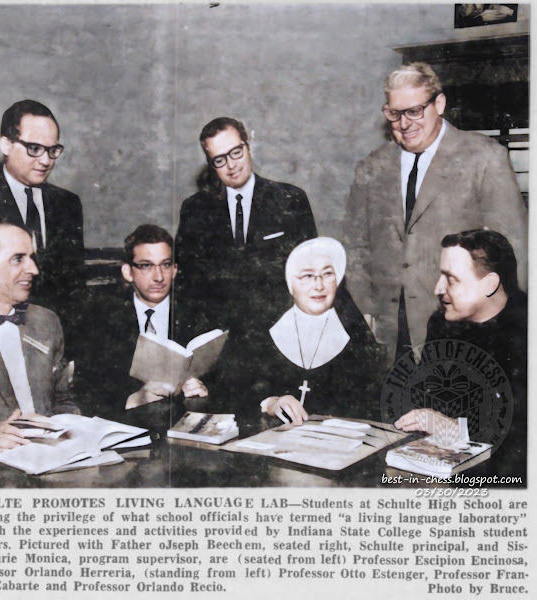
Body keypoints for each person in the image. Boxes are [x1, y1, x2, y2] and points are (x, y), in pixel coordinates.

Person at [342, 62, 527, 361]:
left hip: (463, 331)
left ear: (439, 104)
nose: (404, 123)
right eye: (394, 113)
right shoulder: (370, 167)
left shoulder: (484, 158)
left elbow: (514, 249)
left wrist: (502, 328)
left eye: (415, 111)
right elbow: (355, 246)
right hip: (387, 332)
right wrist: (365, 308)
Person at [174, 117, 318, 347]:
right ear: (210, 164)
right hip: (218, 344)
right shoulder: (195, 209)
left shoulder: (289, 199)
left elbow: (311, 276)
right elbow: (186, 288)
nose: (231, 166)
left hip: (281, 339)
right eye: (219, 160)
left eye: (236, 152)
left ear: (248, 145)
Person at [395, 230, 526, 475]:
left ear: (489, 285)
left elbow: (522, 430)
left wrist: (458, 429)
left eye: (450, 278)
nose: (437, 288)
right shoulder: (440, 321)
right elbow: (425, 397)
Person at [0, 99, 85, 354]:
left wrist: (70, 353)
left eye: (53, 150)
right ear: (5, 144)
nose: (45, 160)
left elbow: (74, 288)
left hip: (51, 346)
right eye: (34, 148)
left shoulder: (67, 204)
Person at [222, 238, 383, 425]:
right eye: (307, 276)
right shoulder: (261, 333)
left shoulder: (355, 334)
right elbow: (231, 391)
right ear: (291, 284)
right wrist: (270, 403)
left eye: (328, 274)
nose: (319, 286)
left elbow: (372, 404)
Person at [0, 222, 80, 461]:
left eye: (32, 258)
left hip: (53, 460)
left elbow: (64, 398)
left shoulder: (46, 321)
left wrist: (71, 430)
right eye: (18, 259)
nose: (33, 269)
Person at [76, 224, 207, 420]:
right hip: (124, 426)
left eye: (166, 265)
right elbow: (86, 393)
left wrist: (203, 389)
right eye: (146, 266)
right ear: (128, 272)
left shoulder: (198, 314)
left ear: (175, 270)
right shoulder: (101, 319)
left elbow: (225, 381)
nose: (159, 277)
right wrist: (133, 400)